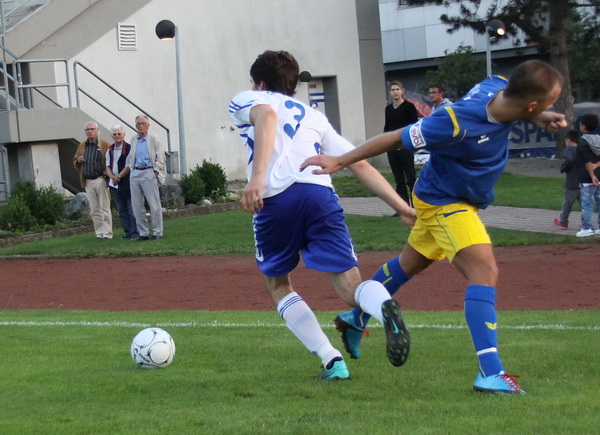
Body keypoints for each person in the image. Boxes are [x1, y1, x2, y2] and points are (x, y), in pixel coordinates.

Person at [301, 60, 567, 394]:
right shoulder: (454, 123)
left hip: (445, 195)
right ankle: (490, 373)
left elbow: (518, 104)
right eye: (549, 103)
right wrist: (341, 160)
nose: (551, 107)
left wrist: (541, 116)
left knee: (408, 265)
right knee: (484, 271)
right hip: (446, 201)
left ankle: (355, 318)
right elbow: (395, 138)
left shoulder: (497, 84)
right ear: (531, 104)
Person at [229, 50, 416, 380]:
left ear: (260, 83)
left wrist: (257, 178)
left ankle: (332, 361)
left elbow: (267, 117)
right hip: (319, 194)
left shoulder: (249, 99)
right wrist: (401, 207)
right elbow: (357, 163)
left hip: (276, 199)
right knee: (350, 286)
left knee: (278, 284)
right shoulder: (312, 116)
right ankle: (383, 306)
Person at [126, 115, 166, 241]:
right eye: (138, 124)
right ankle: (143, 233)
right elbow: (131, 156)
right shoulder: (134, 139)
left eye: (143, 123)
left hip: (149, 171)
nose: (141, 126)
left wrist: (155, 171)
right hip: (136, 172)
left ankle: (157, 232)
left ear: (148, 125)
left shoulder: (154, 139)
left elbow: (160, 157)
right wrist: (131, 169)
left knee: (154, 205)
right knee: (137, 206)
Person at [73, 121, 113, 240]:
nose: (90, 131)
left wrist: (107, 175)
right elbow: (75, 162)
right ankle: (99, 232)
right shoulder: (82, 146)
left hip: (100, 179)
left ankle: (107, 233)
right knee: (94, 209)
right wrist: (78, 161)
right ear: (85, 132)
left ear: (97, 130)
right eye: (88, 129)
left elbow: (110, 160)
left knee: (104, 208)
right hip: (88, 181)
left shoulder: (104, 144)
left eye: (92, 129)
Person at [384, 81, 419, 207]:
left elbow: (413, 126)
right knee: (399, 180)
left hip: (405, 147)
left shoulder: (409, 107)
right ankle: (403, 207)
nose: (395, 92)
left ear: (402, 91)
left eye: (397, 89)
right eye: (393, 90)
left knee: (411, 178)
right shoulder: (388, 109)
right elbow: (387, 127)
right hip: (392, 148)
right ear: (390, 92)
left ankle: (416, 206)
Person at [106, 124, 139, 240]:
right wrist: (112, 177)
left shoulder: (129, 148)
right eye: (114, 134)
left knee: (131, 209)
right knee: (121, 210)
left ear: (124, 135)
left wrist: (119, 176)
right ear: (112, 136)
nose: (117, 136)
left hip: (127, 182)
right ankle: (127, 232)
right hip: (115, 184)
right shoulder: (110, 149)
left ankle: (135, 232)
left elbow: (129, 165)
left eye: (119, 134)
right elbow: (107, 166)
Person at [574, 114, 600, 238]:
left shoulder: (583, 141)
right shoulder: (598, 139)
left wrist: (592, 174)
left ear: (583, 126)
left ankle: (587, 227)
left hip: (587, 177)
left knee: (587, 203)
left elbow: (586, 160)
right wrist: (597, 166)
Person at [554, 129, 581, 229]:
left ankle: (563, 221)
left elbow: (569, 160)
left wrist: (563, 167)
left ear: (568, 140)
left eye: (565, 140)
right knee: (585, 204)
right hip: (582, 180)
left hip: (572, 182)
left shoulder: (569, 149)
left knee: (567, 203)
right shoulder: (581, 149)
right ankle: (586, 222)